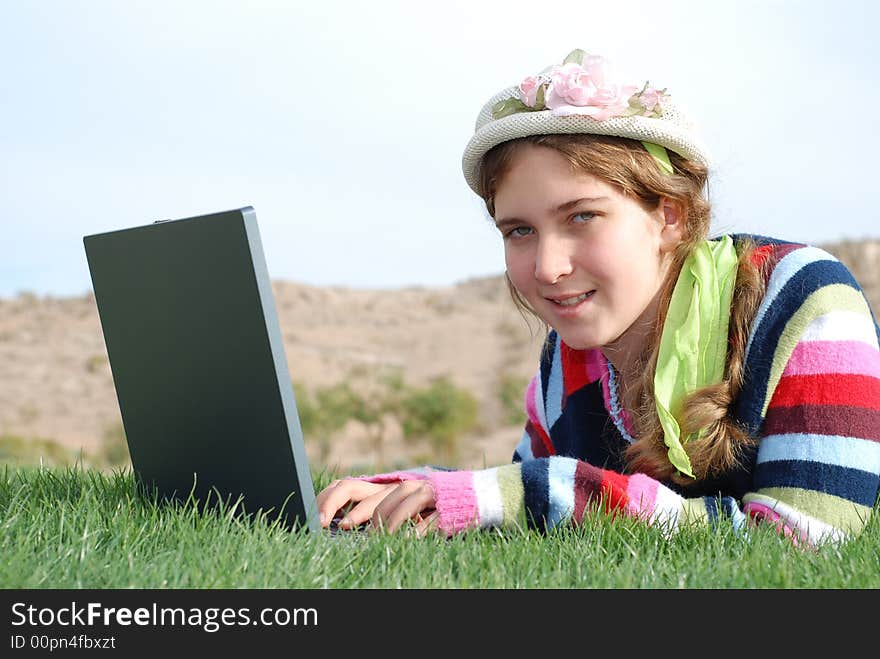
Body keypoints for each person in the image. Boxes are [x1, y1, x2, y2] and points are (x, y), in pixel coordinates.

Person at [316, 49, 880, 546]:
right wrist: (415, 488)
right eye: (519, 231)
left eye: (582, 217)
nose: (548, 267)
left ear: (670, 217)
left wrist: (527, 494)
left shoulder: (808, 303)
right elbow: (524, 498)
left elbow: (806, 540)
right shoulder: (567, 360)